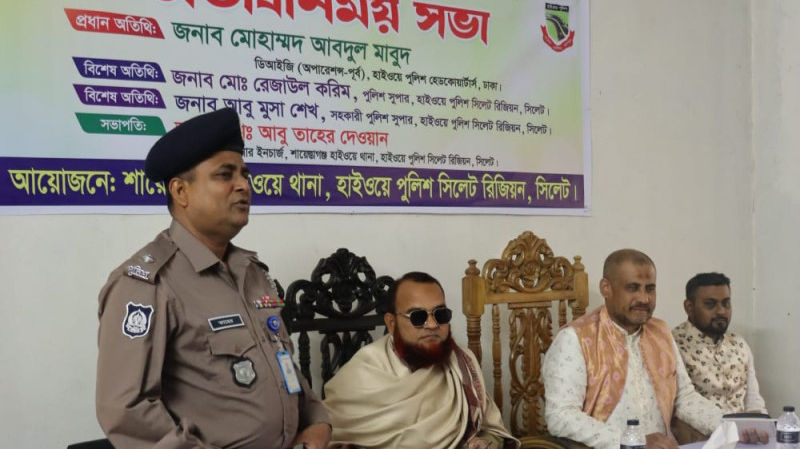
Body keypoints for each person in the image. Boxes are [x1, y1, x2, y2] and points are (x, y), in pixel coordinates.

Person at [95, 108, 331, 449]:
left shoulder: (251, 273)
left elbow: (280, 363)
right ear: (181, 191)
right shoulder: (147, 285)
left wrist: (316, 420)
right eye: (225, 175)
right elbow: (127, 411)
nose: (243, 185)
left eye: (244, 174)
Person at [542, 249, 764, 449]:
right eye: (632, 288)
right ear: (606, 288)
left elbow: (684, 399)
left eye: (650, 289)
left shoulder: (660, 332)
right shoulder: (575, 339)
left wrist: (732, 426)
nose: (644, 298)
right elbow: (561, 416)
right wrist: (632, 440)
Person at [323, 272, 519, 449]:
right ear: (391, 323)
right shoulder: (362, 373)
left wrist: (484, 442)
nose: (432, 325)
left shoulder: (460, 364)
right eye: (418, 317)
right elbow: (328, 436)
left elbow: (492, 431)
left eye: (440, 314)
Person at [672, 272, 767, 414]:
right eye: (710, 304)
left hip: (743, 427)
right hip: (699, 427)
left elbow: (753, 399)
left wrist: (759, 420)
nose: (721, 311)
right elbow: (677, 406)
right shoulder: (673, 345)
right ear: (689, 307)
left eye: (726, 303)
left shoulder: (739, 345)